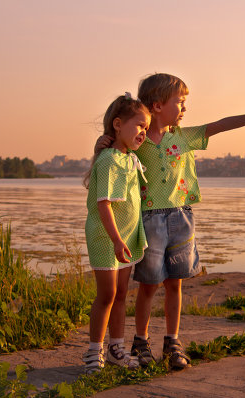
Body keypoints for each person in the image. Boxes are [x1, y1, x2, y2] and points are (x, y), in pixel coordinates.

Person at [96, 73, 245, 370]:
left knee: (176, 283)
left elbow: (223, 124)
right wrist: (101, 142)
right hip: (148, 220)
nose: (185, 108)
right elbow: (111, 157)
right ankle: (141, 340)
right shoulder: (138, 140)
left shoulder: (184, 137)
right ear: (158, 105)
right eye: (181, 101)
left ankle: (173, 341)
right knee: (149, 285)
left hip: (181, 216)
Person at [82, 93, 151, 374]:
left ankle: (115, 348)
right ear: (118, 125)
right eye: (139, 126)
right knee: (107, 295)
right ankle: (93, 352)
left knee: (122, 293)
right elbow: (104, 204)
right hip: (107, 236)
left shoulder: (129, 158)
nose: (143, 132)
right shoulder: (110, 159)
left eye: (147, 128)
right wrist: (116, 239)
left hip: (124, 236)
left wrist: (126, 237)